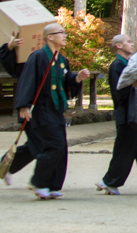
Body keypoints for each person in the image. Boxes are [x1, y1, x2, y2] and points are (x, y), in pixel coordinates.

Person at [14, 22, 91, 199]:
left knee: (61, 147)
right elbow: (27, 79)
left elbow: (66, 82)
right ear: (49, 37)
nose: (64, 36)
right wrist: (24, 105)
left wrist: (77, 78)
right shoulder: (38, 56)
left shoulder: (62, 60)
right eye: (61, 33)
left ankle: (53, 185)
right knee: (55, 145)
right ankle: (39, 182)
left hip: (56, 108)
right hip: (41, 108)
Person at [96, 34, 137, 195]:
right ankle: (110, 182)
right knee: (125, 150)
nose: (131, 44)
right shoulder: (117, 65)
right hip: (128, 114)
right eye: (128, 41)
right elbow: (119, 93)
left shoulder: (130, 64)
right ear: (119, 46)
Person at [0, 33, 33, 185]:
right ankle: (42, 182)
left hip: (48, 106)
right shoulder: (28, 60)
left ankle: (46, 182)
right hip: (29, 105)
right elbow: (13, 69)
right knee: (40, 144)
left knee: (44, 144)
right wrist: (9, 48)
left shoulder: (53, 56)